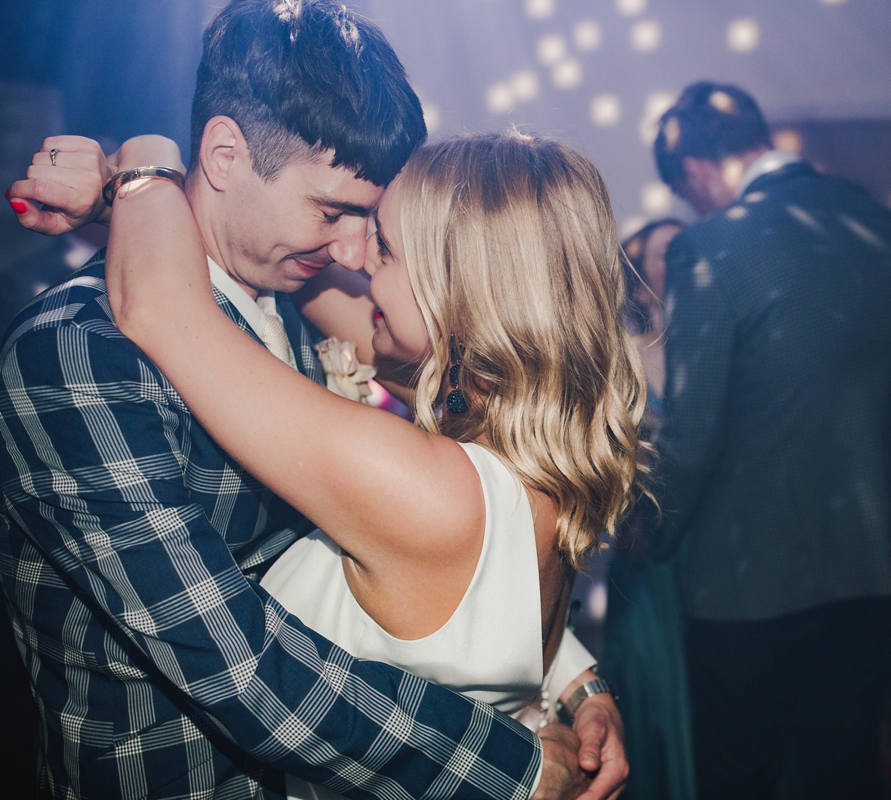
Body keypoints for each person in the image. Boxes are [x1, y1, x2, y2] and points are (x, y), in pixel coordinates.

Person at [0, 2, 621, 798]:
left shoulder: (304, 306)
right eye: (333, 211)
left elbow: (453, 554)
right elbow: (231, 660)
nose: (356, 253)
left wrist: (142, 170)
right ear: (225, 154)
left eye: (374, 225)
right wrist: (518, 764)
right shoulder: (78, 350)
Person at [647, 81, 891, 799]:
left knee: (738, 776)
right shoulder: (889, 228)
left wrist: (641, 535)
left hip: (748, 581)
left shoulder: (711, 247)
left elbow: (689, 439)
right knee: (844, 769)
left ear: (693, 173)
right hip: (876, 567)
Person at [601, 219, 696, 800]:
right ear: (639, 282)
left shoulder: (717, 340)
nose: (683, 257)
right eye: (667, 251)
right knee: (650, 683)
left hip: (709, 544)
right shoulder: (624, 357)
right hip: (648, 539)